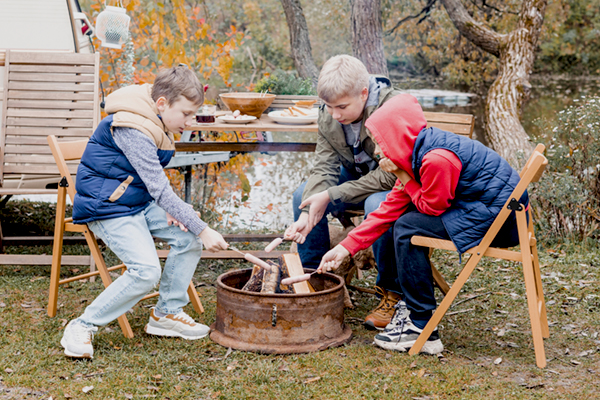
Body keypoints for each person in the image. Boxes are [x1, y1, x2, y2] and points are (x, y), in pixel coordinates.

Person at [317, 93, 528, 355]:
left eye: (381, 142)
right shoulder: (417, 153)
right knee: (401, 221)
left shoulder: (435, 160)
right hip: (491, 211)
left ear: (398, 137)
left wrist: (403, 176)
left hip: (503, 221)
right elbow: (387, 211)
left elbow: (431, 207)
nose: (377, 151)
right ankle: (415, 311)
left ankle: (422, 326)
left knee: (408, 227)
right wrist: (345, 248)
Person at [60, 65, 229, 359]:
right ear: (162, 103)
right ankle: (82, 324)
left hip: (134, 201)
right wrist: (203, 227)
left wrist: (183, 218)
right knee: (146, 271)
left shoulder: (154, 116)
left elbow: (154, 187)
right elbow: (160, 189)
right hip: (108, 207)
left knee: (187, 238)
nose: (190, 122)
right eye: (186, 113)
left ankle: (166, 314)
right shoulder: (132, 128)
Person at [284, 55, 402, 330]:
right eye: (328, 106)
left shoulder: (390, 107)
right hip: (356, 175)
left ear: (364, 93)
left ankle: (391, 293)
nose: (335, 114)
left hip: (394, 182)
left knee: (377, 205)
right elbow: (324, 166)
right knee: (304, 195)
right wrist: (309, 213)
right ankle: (315, 280)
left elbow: (389, 174)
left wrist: (332, 195)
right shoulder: (330, 114)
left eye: (341, 107)